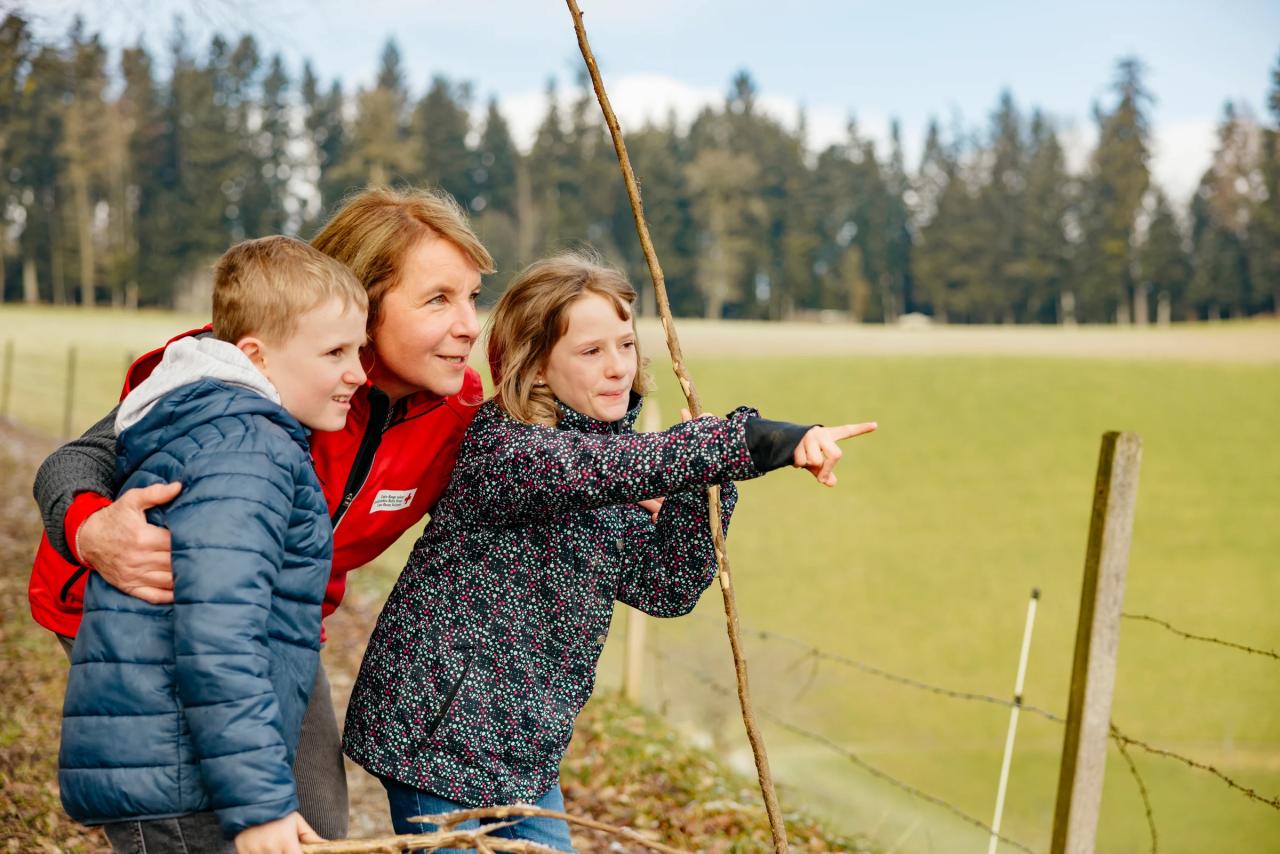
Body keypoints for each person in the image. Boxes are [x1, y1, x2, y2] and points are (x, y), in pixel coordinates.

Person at [341, 254, 877, 850]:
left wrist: (705, 493)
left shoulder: (609, 460)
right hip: (436, 738)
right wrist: (759, 441)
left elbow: (665, 588)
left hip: (525, 751)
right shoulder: (510, 450)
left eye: (625, 344)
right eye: (592, 352)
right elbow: (616, 467)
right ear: (538, 367)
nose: (618, 367)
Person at [30, 186, 494, 840]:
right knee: (188, 810)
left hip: (278, 618)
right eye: (438, 299)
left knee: (316, 819)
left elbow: (530, 472)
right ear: (361, 301)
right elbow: (74, 461)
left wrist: (630, 470)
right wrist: (90, 528)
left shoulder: (456, 411)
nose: (471, 324)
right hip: (146, 603)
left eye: (473, 297)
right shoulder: (238, 372)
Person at [59, 236, 368, 853]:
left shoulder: (226, 429)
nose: (357, 372)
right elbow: (220, 641)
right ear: (255, 355)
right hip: (185, 775)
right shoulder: (247, 451)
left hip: (183, 762)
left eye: (358, 348)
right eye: (335, 351)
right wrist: (259, 805)